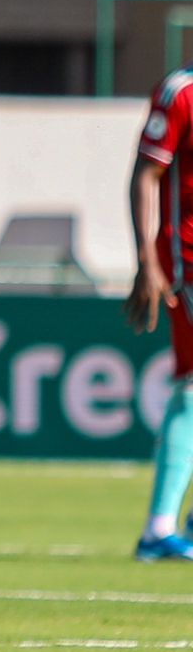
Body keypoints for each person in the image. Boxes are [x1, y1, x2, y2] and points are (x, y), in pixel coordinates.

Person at [126, 68, 193, 561]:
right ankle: (159, 528)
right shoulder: (180, 93)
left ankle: (167, 526)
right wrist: (147, 261)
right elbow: (147, 174)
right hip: (187, 257)